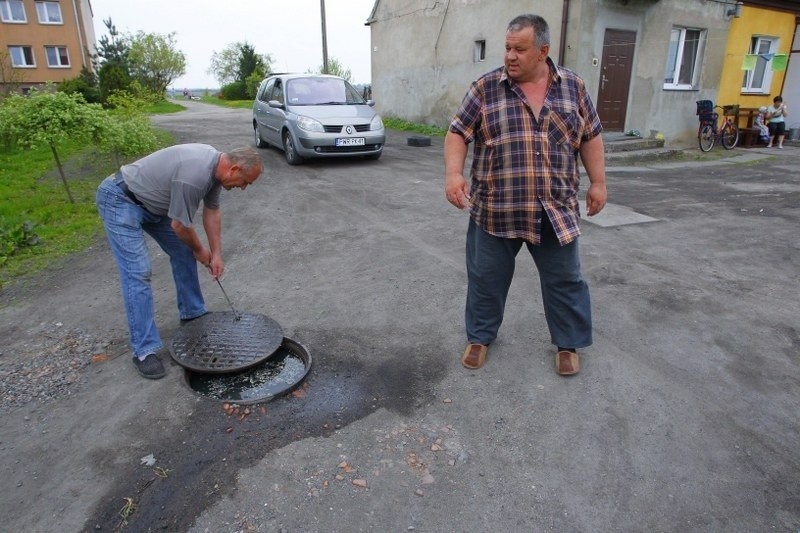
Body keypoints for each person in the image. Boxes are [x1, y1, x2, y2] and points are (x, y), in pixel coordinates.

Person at [443, 13, 607, 376]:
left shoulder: (574, 88)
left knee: (566, 280)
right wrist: (454, 174)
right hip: (495, 209)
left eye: (520, 49)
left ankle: (568, 345)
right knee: (486, 278)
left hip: (555, 209)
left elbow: (591, 136)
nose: (510, 56)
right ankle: (479, 337)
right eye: (507, 48)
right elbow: (457, 132)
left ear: (543, 51)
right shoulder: (485, 89)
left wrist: (598, 183)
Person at [96, 144, 263, 379]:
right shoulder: (194, 177)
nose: (244, 188)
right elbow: (180, 226)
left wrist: (215, 254)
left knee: (183, 251)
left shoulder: (216, 171)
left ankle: (192, 312)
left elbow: (212, 211)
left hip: (154, 205)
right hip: (121, 199)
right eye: (245, 181)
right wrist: (199, 250)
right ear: (234, 169)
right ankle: (144, 351)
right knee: (138, 271)